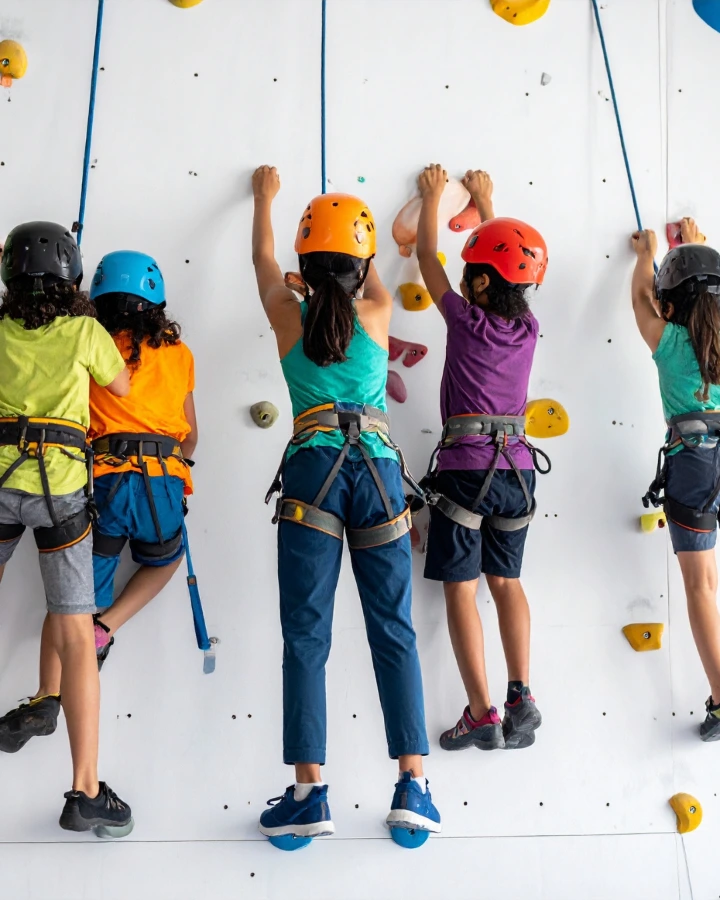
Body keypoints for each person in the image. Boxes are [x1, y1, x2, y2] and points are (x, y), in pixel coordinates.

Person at [251, 165, 440, 844]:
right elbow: (372, 280)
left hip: (313, 472)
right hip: (378, 472)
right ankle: (413, 785)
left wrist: (265, 200)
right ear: (360, 270)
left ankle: (309, 792)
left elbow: (261, 260)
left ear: (304, 266)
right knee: (394, 630)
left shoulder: (285, 314)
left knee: (307, 635)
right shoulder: (376, 313)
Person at [13, 249, 198, 709]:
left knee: (70, 602)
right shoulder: (179, 354)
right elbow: (191, 437)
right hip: (163, 483)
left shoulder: (88, 341)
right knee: (164, 558)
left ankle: (48, 694)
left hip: (104, 482)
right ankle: (107, 627)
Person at [0, 222, 133, 835]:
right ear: (72, 278)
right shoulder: (86, 332)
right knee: (77, 635)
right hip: (60, 497)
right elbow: (120, 384)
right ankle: (84, 791)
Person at [416, 164, 548, 752]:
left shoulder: (464, 320)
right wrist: (488, 203)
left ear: (476, 286)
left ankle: (481, 711)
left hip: (466, 471)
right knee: (507, 582)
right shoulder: (529, 330)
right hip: (518, 472)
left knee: (462, 590)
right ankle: (522, 692)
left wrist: (432, 197)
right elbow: (509, 256)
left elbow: (426, 256)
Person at [633, 218, 720, 742]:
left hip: (694, 461)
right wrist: (689, 246)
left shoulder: (668, 342)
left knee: (701, 585)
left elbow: (642, 294)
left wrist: (649, 251)